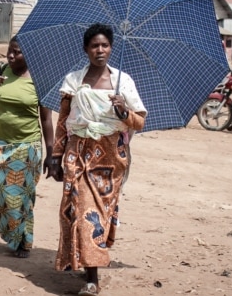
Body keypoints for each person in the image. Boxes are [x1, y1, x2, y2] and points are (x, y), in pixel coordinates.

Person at [47, 23, 147, 296]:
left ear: (111, 48)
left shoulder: (123, 82)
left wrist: (123, 111)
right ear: (86, 49)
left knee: (96, 213)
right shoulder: (73, 80)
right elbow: (63, 120)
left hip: (110, 157)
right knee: (76, 208)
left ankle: (91, 273)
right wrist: (56, 155)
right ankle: (90, 274)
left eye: (104, 45)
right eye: (94, 45)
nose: (100, 50)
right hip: (77, 151)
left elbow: (139, 122)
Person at [0, 36, 54, 258]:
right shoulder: (3, 71)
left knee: (17, 197)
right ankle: (12, 233)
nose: (11, 56)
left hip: (26, 145)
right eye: (9, 51)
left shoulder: (40, 79)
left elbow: (46, 120)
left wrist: (51, 153)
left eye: (17, 52)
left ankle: (23, 240)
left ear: (29, 54)